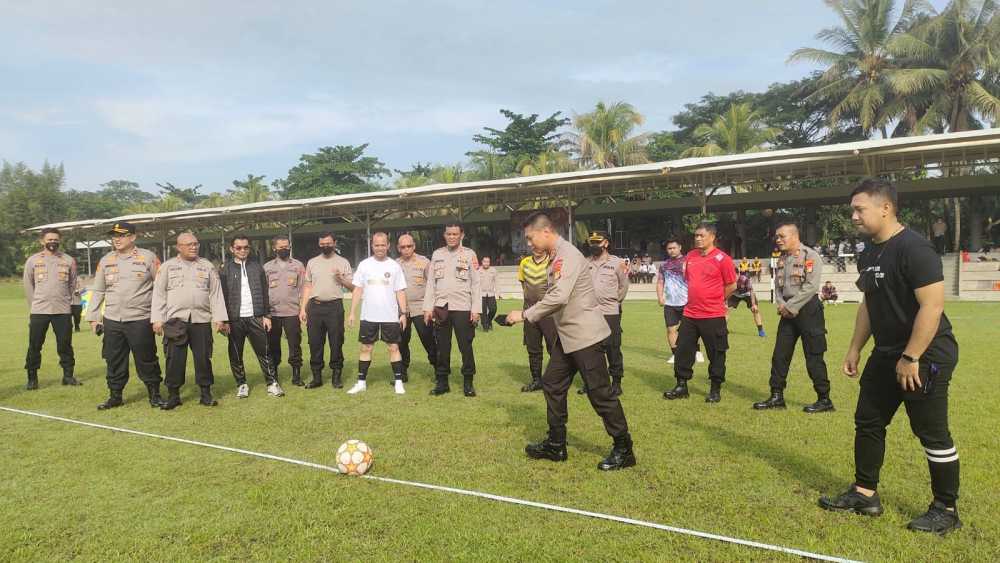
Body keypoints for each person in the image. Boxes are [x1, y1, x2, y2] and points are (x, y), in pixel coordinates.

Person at [819, 178, 962, 535]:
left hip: (925, 354)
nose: (853, 215)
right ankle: (865, 493)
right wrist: (855, 347)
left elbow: (932, 306)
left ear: (886, 208)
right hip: (885, 354)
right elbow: (870, 302)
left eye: (859, 209)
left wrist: (911, 356)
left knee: (931, 432)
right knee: (868, 420)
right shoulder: (869, 251)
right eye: (852, 209)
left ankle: (946, 509)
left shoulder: (915, 248)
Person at [503, 212, 635, 471]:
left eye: (530, 238)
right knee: (552, 383)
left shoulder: (567, 256)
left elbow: (559, 297)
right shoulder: (556, 257)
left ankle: (624, 448)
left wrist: (525, 315)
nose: (528, 244)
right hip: (568, 337)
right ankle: (556, 444)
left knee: (600, 394)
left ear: (546, 231)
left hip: (585, 336)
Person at [753, 221, 833, 413]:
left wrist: (791, 306)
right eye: (777, 236)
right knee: (780, 355)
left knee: (813, 356)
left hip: (808, 311)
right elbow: (779, 287)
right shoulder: (782, 259)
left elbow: (811, 286)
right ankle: (776, 396)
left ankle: (824, 399)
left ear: (795, 236)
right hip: (787, 312)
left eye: (782, 236)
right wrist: (781, 304)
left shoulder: (809, 256)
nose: (778, 240)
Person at [87, 222, 166, 409]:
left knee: (146, 358)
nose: (117, 239)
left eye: (121, 235)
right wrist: (93, 317)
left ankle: (154, 394)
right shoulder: (106, 260)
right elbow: (98, 290)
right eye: (114, 236)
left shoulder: (148, 258)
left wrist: (158, 316)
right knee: (114, 359)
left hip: (140, 318)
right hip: (113, 319)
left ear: (133, 237)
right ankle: (115, 396)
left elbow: (161, 288)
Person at [151, 232, 228, 409]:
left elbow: (216, 294)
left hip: (200, 320)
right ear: (179, 247)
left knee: (203, 358)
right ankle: (173, 395)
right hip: (175, 320)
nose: (194, 247)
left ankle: (206, 393)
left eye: (196, 244)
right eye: (189, 244)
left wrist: (219, 318)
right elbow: (159, 294)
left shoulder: (207, 266)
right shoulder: (168, 267)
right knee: (174, 359)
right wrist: (157, 319)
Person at [663, 223, 737, 404]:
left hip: (713, 315)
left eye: (701, 235)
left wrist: (717, 300)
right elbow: (691, 281)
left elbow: (732, 285)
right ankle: (681, 386)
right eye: (696, 235)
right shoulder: (691, 256)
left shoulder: (722, 259)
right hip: (690, 314)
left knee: (716, 353)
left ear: (712, 237)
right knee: (683, 351)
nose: (697, 238)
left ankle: (715, 388)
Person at [220, 234, 282, 399]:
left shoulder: (257, 267)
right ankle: (241, 384)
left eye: (246, 247)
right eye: (238, 247)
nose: (242, 250)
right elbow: (222, 297)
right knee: (235, 353)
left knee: (265, 352)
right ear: (232, 249)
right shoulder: (225, 269)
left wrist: (267, 315)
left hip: (256, 316)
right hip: (235, 319)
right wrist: (224, 320)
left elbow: (264, 292)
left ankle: (272, 383)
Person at [346, 233, 408, 395]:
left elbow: (400, 291)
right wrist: (352, 312)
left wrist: (403, 313)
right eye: (376, 245)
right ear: (372, 246)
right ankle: (361, 383)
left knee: (393, 347)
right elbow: (358, 289)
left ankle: (399, 382)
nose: (379, 248)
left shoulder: (394, 266)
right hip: (369, 316)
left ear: (388, 246)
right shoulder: (364, 265)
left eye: (383, 245)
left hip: (390, 316)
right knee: (366, 348)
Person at [423, 223, 481, 397]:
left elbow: (476, 283)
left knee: (465, 346)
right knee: (442, 347)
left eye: (455, 234)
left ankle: (468, 382)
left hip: (463, 307)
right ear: (444, 235)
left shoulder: (470, 255)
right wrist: (427, 308)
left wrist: (476, 309)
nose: (452, 237)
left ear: (461, 235)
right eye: (449, 234)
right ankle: (442, 382)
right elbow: (431, 284)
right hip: (441, 306)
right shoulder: (437, 254)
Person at [23, 228, 80, 390]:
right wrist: (34, 305)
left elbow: (72, 284)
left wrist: (67, 302)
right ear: (42, 241)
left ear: (59, 240)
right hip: (39, 310)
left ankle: (68, 376)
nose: (52, 242)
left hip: (62, 310)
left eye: (55, 239)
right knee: (35, 345)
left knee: (65, 344)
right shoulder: (33, 261)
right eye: (49, 239)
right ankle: (32, 378)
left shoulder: (68, 260)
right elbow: (28, 285)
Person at [300, 232, 354, 389]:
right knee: (315, 343)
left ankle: (336, 376)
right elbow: (308, 286)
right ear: (319, 244)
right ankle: (317, 377)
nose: (326, 246)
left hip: (334, 307)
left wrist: (341, 279)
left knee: (336, 342)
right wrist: (303, 308)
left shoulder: (343, 262)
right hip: (315, 307)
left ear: (334, 243)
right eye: (323, 243)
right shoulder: (312, 262)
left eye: (328, 243)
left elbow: (353, 286)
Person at [585, 231, 629, 398]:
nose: (594, 245)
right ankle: (592, 382)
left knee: (612, 347)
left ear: (606, 243)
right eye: (592, 242)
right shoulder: (585, 262)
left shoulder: (618, 263)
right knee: (590, 349)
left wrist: (614, 302)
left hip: (610, 311)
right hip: (589, 312)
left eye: (598, 242)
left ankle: (616, 382)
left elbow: (623, 286)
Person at [264, 236, 306, 385]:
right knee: (273, 345)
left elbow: (303, 288)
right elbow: (263, 291)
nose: (284, 249)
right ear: (274, 248)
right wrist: (264, 314)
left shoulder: (298, 265)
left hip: (292, 313)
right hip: (273, 314)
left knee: (295, 345)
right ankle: (274, 375)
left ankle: (296, 375)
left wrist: (303, 309)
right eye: (280, 247)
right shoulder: (267, 267)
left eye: (286, 246)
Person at [657, 238, 704, 365]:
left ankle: (697, 351)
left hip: (687, 302)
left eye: (674, 248)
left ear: (680, 247)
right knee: (671, 330)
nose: (671, 251)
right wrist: (660, 297)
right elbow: (660, 282)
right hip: (670, 304)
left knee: (691, 330)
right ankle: (676, 354)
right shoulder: (664, 266)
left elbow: (696, 280)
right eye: (669, 249)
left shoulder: (688, 262)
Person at [396, 233, 437, 381]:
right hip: (401, 310)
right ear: (398, 248)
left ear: (414, 246)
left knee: (429, 340)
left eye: (409, 246)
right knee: (401, 342)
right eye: (403, 247)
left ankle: (439, 369)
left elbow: (433, 284)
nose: (406, 249)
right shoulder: (394, 264)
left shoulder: (424, 262)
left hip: (421, 307)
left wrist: (431, 307)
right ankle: (402, 372)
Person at [517, 244, 557, 392]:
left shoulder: (552, 262)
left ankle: (554, 381)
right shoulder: (524, 263)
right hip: (529, 311)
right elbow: (524, 285)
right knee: (533, 348)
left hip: (548, 312)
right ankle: (536, 380)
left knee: (553, 348)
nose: (537, 248)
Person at [727, 269, 766, 337]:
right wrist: (724, 301)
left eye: (734, 275)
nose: (732, 277)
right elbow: (728, 291)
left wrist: (753, 305)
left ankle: (761, 330)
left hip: (747, 294)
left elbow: (751, 291)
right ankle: (723, 329)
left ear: (738, 274)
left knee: (755, 310)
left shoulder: (745, 279)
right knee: (725, 310)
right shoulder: (729, 280)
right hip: (735, 295)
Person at [479, 256, 498, 331]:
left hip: (491, 294)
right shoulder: (478, 270)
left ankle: (488, 321)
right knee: (482, 311)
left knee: (493, 309)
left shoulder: (493, 270)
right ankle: (485, 326)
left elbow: (497, 282)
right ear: (482, 262)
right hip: (481, 294)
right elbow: (475, 283)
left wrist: (498, 292)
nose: (486, 263)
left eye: (488, 262)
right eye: (485, 261)